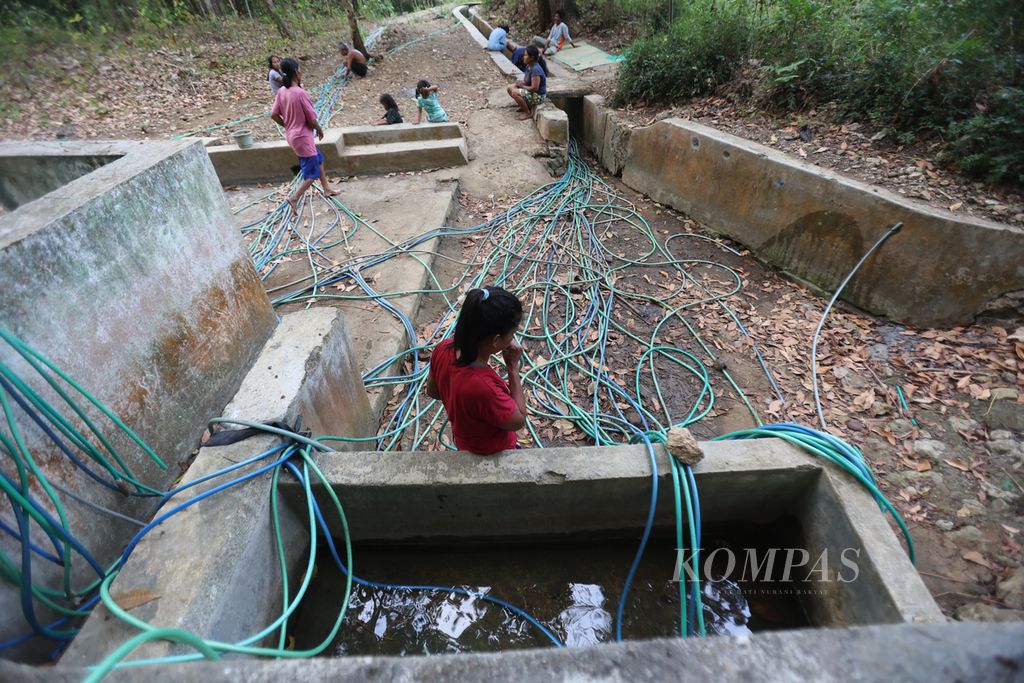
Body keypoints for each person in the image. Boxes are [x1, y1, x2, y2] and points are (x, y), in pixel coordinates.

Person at [425, 286, 527, 455]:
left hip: (464, 442)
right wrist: (512, 368)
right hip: (491, 452)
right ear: (496, 341)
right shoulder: (484, 387)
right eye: (512, 333)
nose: (513, 339)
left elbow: (433, 392)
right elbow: (518, 420)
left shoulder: (442, 349)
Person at [269, 58, 339, 214]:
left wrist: (287, 125)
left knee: (318, 158)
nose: (300, 72)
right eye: (299, 69)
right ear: (295, 72)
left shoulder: (281, 92)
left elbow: (274, 114)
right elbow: (311, 119)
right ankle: (294, 198)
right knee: (311, 173)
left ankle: (326, 188)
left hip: (293, 136)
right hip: (302, 137)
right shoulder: (300, 93)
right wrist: (319, 129)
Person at [506, 45, 546, 120]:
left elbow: (534, 88)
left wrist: (522, 86)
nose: (523, 57)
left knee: (515, 92)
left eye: (526, 55)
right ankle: (523, 106)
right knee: (509, 87)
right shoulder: (528, 66)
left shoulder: (536, 70)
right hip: (531, 92)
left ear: (532, 58)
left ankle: (528, 113)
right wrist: (519, 84)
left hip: (538, 96)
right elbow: (527, 81)